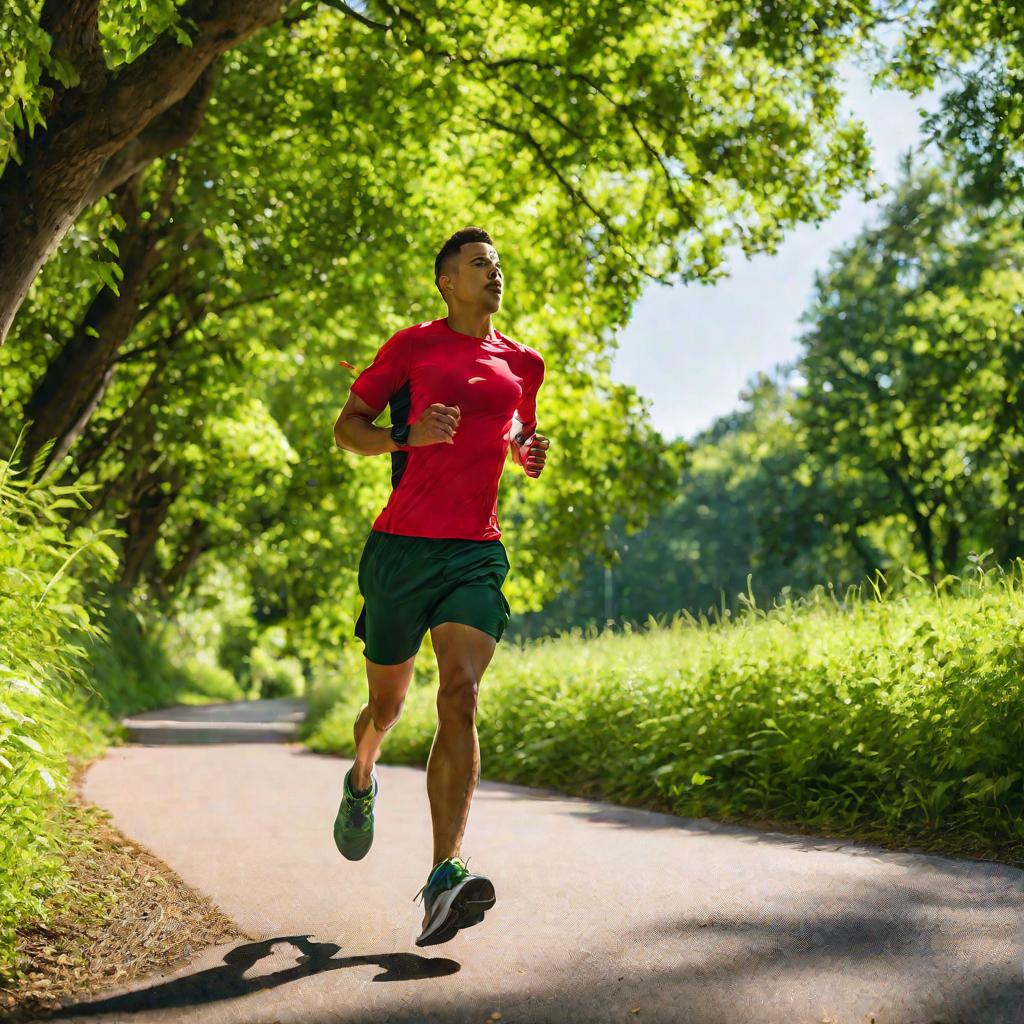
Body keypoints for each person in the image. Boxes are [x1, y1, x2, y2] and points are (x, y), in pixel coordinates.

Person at [331, 227, 550, 947]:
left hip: (474, 554)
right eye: (479, 264)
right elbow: (347, 430)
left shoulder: (524, 362)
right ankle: (361, 773)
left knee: (460, 691)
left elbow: (515, 426)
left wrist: (524, 449)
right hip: (400, 551)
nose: (494, 273)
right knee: (387, 706)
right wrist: (408, 436)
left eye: (498, 265)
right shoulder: (412, 347)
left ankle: (442, 877)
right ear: (446, 282)